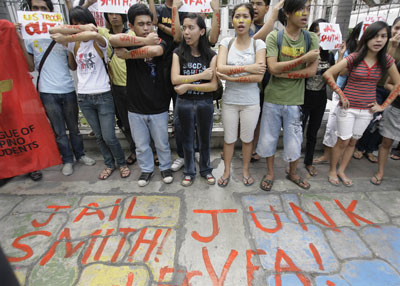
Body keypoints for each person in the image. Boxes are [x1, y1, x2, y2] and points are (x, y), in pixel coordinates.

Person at [50, 6, 130, 180]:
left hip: (103, 94)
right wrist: (69, 42)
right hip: (84, 96)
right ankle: (109, 164)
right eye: (74, 24)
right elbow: (55, 34)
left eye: (82, 22)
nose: (78, 26)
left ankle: (121, 162)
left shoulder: (98, 39)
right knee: (99, 137)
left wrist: (70, 35)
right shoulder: (73, 43)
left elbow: (93, 34)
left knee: (109, 136)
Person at [21, 0, 95, 178]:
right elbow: (30, 67)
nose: (39, 11)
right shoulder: (30, 38)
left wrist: (67, 43)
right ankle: (67, 159)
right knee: (59, 131)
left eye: (43, 8)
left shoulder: (64, 32)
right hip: (47, 91)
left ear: (51, 12)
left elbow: (73, 66)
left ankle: (81, 154)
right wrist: (19, 37)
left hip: (67, 88)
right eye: (35, 8)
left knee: (74, 128)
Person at [323, 21, 399, 187]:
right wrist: (341, 94)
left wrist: (383, 106)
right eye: (375, 36)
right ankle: (332, 171)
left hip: (367, 110)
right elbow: (328, 73)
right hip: (347, 107)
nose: (379, 40)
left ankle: (342, 170)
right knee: (343, 140)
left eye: (383, 36)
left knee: (353, 142)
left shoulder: (386, 60)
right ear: (367, 38)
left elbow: (398, 84)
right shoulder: (355, 57)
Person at [256, 0, 319, 191]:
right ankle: (270, 173)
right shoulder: (275, 37)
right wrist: (302, 60)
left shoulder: (311, 38)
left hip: (296, 100)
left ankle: (293, 173)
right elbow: (272, 68)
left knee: (294, 141)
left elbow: (311, 72)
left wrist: (284, 73)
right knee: (268, 139)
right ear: (288, 13)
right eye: (301, 9)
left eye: (308, 9)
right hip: (273, 97)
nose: (305, 14)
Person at [109, 3, 174, 187]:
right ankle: (146, 170)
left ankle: (165, 167)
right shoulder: (128, 39)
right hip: (135, 105)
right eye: (141, 24)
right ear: (131, 26)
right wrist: (144, 41)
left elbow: (156, 50)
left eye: (148, 24)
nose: (146, 28)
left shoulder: (160, 40)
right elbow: (113, 40)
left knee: (162, 143)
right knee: (141, 145)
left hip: (158, 104)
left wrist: (128, 55)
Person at [216, 3, 266, 187]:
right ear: (232, 20)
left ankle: (245, 170)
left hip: (251, 101)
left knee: (247, 139)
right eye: (237, 16)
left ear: (251, 20)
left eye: (245, 16)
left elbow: (259, 76)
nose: (241, 20)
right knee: (229, 139)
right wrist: (248, 68)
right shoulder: (226, 42)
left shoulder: (258, 44)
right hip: (230, 100)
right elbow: (220, 68)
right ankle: (227, 170)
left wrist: (233, 75)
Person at [171, 13, 218, 186]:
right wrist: (202, 75)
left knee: (205, 139)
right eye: (184, 28)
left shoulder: (211, 55)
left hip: (204, 103)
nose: (186, 32)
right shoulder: (178, 53)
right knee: (187, 140)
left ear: (202, 31)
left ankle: (206, 170)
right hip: (184, 104)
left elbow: (213, 86)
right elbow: (175, 79)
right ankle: (189, 171)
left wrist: (188, 85)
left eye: (191, 27)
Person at [313, 22, 362, 165]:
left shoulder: (374, 54)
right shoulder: (349, 52)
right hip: (342, 93)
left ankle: (341, 159)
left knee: (351, 134)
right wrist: (343, 56)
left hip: (360, 99)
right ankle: (327, 155)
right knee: (333, 126)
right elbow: (340, 72)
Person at [353, 17, 400, 163]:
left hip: (392, 90)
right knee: (371, 118)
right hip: (377, 87)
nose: (398, 32)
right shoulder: (382, 44)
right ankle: (360, 147)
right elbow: (384, 64)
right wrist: (392, 46)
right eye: (397, 28)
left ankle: (370, 149)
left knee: (382, 121)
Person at [98, 12, 137, 166]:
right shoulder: (103, 33)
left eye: (117, 13)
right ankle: (134, 150)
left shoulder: (132, 33)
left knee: (142, 121)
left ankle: (152, 150)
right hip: (117, 87)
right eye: (110, 14)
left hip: (135, 86)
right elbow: (83, 23)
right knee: (125, 122)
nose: (114, 16)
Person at [301, 18, 335, 176]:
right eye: (316, 31)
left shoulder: (330, 56)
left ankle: (308, 162)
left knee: (313, 133)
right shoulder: (306, 52)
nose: (320, 35)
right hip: (303, 97)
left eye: (323, 32)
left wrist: (340, 55)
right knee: (297, 131)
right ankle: (291, 163)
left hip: (320, 98)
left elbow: (334, 75)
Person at [370, 61, 400, 185]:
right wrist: (397, 89)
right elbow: (388, 84)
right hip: (395, 109)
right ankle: (380, 172)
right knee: (386, 142)